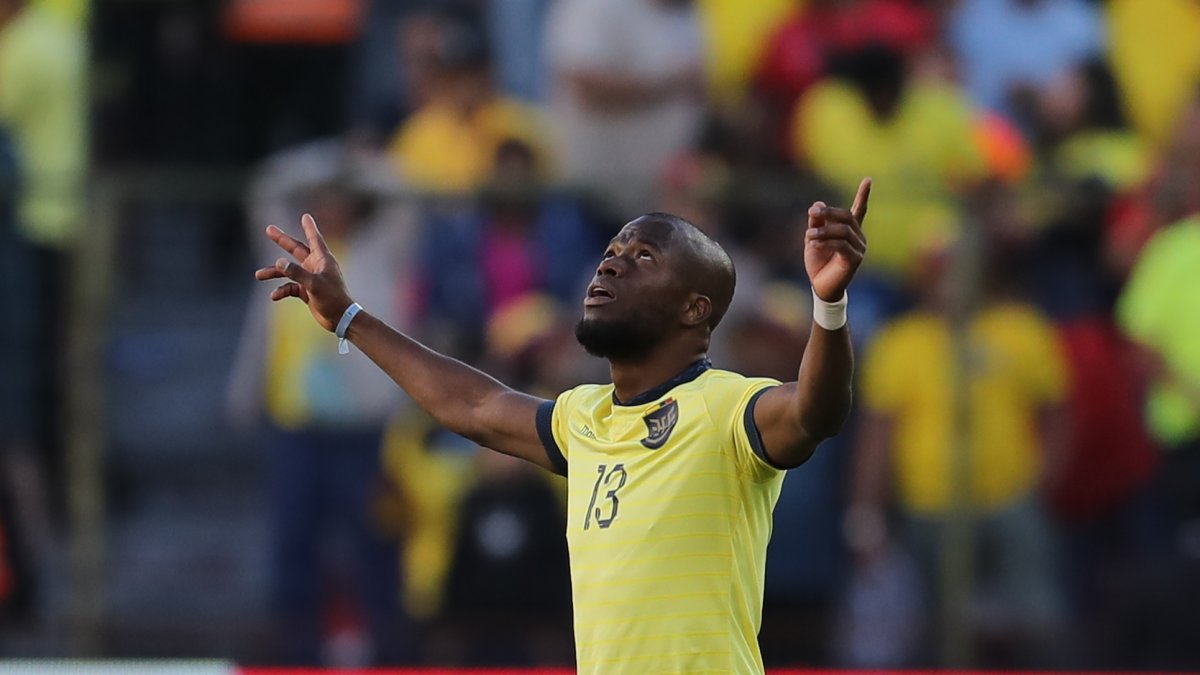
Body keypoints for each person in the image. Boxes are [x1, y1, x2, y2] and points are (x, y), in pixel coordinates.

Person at [254, 172, 874, 673]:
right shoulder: (585, 416)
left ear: (695, 309)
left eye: (644, 256)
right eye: (611, 253)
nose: (611, 265)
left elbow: (815, 410)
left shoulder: (726, 406)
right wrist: (349, 317)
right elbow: (474, 406)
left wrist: (828, 304)